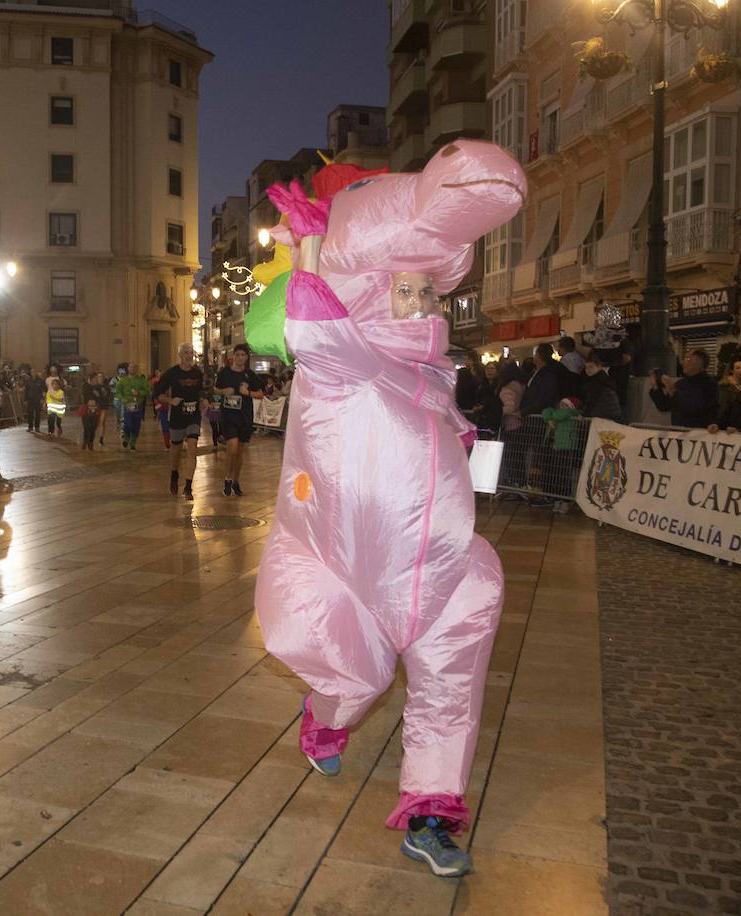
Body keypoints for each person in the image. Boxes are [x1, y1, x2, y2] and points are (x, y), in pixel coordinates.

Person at [254, 150, 521, 878]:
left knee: (450, 686)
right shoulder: (348, 362)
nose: (423, 305)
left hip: (439, 571)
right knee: (355, 679)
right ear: (373, 291)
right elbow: (312, 334)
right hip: (350, 573)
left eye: (428, 293)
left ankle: (432, 813)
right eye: (407, 290)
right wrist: (309, 244)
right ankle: (323, 723)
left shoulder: (435, 382)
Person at [154, 342, 206, 500]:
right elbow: (158, 394)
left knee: (192, 449)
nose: (189, 355)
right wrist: (170, 400)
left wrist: (204, 400)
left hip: (193, 417)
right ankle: (174, 474)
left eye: (191, 352)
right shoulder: (171, 373)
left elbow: (201, 391)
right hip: (177, 417)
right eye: (185, 352)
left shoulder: (197, 373)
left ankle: (188, 487)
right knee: (175, 451)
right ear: (180, 355)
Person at [215, 342, 266, 496]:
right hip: (229, 415)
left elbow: (261, 394)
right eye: (237, 354)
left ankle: (236, 480)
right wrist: (224, 391)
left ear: (246, 357)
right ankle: (227, 478)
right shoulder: (225, 373)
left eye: (243, 355)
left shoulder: (250, 375)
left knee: (240, 451)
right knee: (232, 446)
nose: (240, 357)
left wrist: (248, 393)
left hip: (245, 416)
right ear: (233, 356)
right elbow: (215, 389)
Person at [647, 348, 718, 428]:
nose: (682, 362)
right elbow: (664, 406)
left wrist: (672, 390)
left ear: (699, 362)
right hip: (678, 433)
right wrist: (656, 388)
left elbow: (693, 408)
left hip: (698, 434)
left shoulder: (709, 385)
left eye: (688, 358)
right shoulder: (681, 383)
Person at [519, 342, 564, 417]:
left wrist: (524, 411)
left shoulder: (547, 376)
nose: (534, 356)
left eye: (535, 353)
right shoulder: (537, 373)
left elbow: (542, 399)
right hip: (531, 413)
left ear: (539, 355)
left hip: (538, 416)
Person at [115, 365, 151, 449]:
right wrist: (122, 399)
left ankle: (133, 443)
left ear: (137, 369)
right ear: (128, 369)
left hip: (138, 405)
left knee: (136, 424)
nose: (132, 369)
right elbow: (118, 392)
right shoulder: (123, 380)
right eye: (131, 367)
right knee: (128, 423)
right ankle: (126, 438)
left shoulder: (142, 380)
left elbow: (148, 391)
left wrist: (139, 393)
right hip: (127, 405)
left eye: (134, 367)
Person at [581, 350, 623, 420]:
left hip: (603, 413)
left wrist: (583, 415)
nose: (588, 370)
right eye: (586, 367)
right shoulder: (604, 379)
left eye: (591, 367)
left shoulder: (598, 381)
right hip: (612, 412)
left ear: (599, 367)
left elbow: (593, 400)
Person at [80, 370, 102, 450]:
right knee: (86, 427)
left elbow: (101, 398)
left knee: (93, 427)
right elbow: (84, 397)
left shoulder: (98, 387)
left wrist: (98, 396)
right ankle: (85, 440)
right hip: (85, 409)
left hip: (95, 409)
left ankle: (90, 442)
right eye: (95, 379)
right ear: (91, 379)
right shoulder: (85, 386)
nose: (97, 380)